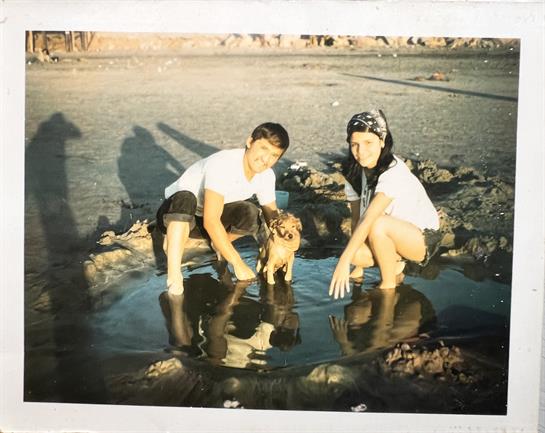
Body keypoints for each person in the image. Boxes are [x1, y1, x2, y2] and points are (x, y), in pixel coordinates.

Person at [156, 122, 289, 295]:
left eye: (274, 155)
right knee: (186, 198)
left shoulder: (266, 176)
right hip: (177, 214)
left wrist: (281, 246)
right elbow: (211, 221)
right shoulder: (223, 164)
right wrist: (237, 262)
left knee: (250, 213)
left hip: (205, 220)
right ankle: (174, 274)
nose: (266, 159)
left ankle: (217, 244)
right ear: (249, 142)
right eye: (263, 148)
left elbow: (272, 216)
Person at [329, 110, 441, 298]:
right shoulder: (353, 172)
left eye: (368, 143)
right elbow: (357, 217)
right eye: (355, 144)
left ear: (382, 141)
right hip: (390, 233)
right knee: (355, 253)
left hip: (421, 239)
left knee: (377, 223)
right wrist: (356, 268)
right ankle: (396, 265)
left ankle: (388, 285)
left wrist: (342, 262)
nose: (361, 152)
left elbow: (369, 219)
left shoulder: (393, 172)